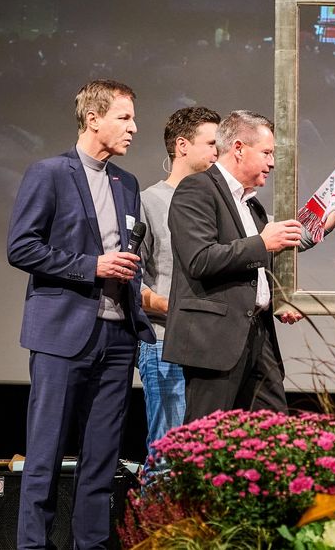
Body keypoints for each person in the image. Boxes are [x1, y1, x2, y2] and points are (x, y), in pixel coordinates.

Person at [7, 79, 155, 549]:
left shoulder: (125, 183)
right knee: (46, 452)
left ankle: (89, 544)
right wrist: (91, 266)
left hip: (116, 340)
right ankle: (33, 544)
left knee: (102, 458)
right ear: (94, 119)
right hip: (61, 337)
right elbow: (22, 247)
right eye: (125, 117)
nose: (134, 127)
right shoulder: (49, 173)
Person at [162, 110, 304, 421]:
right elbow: (200, 259)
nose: (272, 162)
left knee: (275, 434)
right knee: (207, 440)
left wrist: (280, 300)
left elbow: (256, 266)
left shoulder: (251, 204)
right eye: (266, 153)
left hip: (258, 337)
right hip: (214, 341)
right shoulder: (196, 189)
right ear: (238, 148)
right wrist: (263, 242)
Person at [138, 106, 220, 461]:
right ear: (182, 146)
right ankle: (160, 519)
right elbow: (131, 285)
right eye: (212, 143)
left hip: (209, 346)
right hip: (164, 343)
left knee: (207, 460)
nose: (220, 151)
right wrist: (177, 308)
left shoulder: (218, 204)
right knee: (168, 457)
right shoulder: (149, 201)